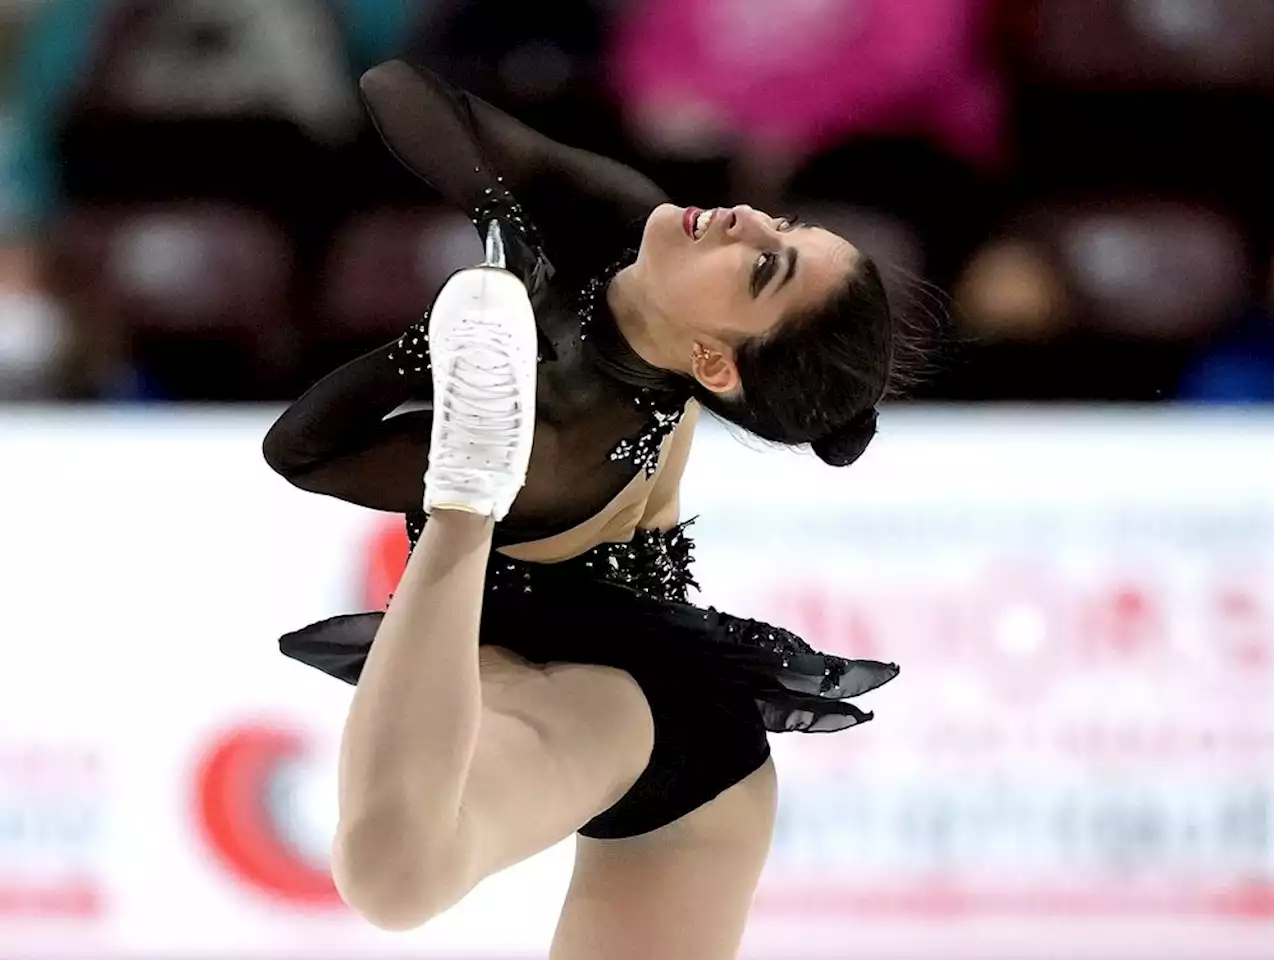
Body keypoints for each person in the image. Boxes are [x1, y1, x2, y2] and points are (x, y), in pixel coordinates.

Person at [263, 58, 912, 958]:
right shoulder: (621, 223)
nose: (750, 217)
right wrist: (501, 220)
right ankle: (465, 491)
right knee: (394, 867)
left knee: (397, 872)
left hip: (604, 688)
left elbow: (298, 453)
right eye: (787, 224)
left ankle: (465, 505)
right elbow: (395, 89)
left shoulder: (565, 440)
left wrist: (429, 355)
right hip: (643, 719)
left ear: (714, 364)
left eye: (764, 263)